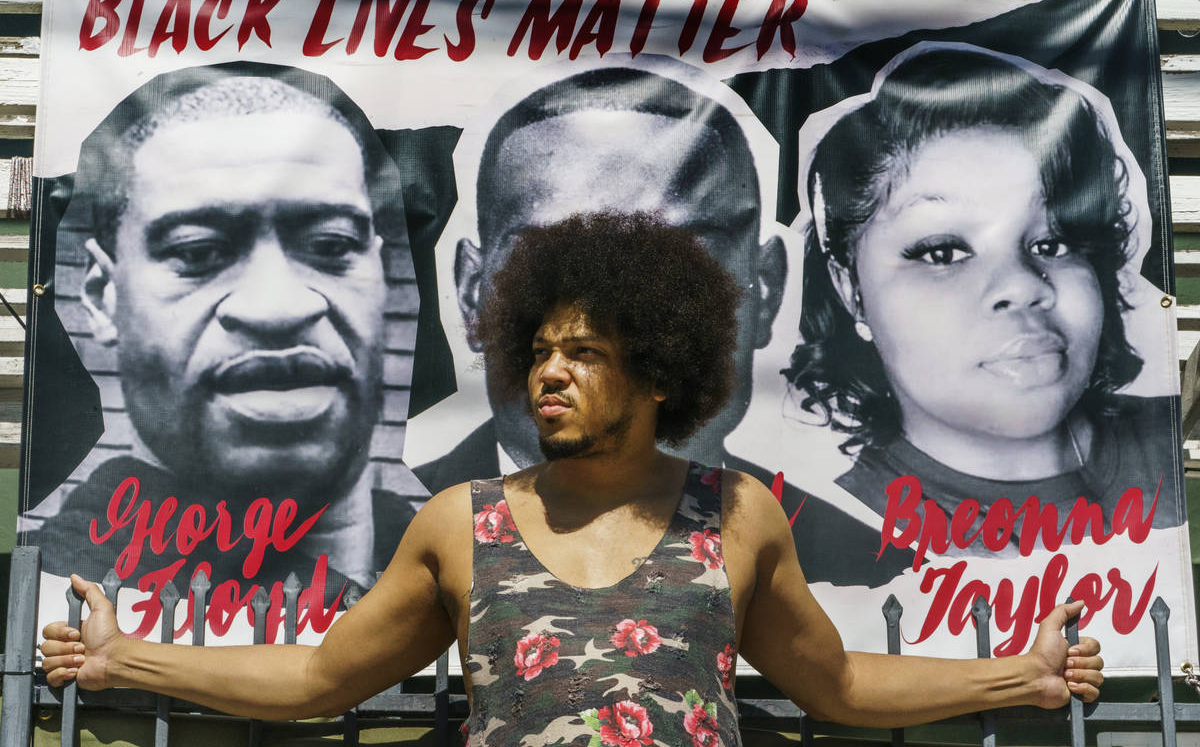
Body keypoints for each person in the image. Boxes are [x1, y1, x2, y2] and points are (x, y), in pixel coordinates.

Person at [41, 212, 1103, 745]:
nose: (550, 371)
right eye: (540, 350)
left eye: (585, 352)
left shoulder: (737, 516)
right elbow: (323, 678)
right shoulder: (462, 525)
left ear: (656, 373)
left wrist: (1025, 677)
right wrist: (125, 656)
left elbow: (837, 685)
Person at [411, 64, 911, 585]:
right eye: (548, 262)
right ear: (473, 293)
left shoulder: (871, 575)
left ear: (764, 289)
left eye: (678, 265)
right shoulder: (402, 536)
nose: (614, 315)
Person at [22, 62, 419, 593]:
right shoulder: (49, 591)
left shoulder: (457, 559)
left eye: (331, 246)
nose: (277, 308)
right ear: (101, 297)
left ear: (383, 277)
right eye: (197, 251)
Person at [786, 43, 1183, 548]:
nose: (1021, 285)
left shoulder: (1180, 448)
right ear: (851, 291)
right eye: (942, 252)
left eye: (1051, 242)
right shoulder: (832, 537)